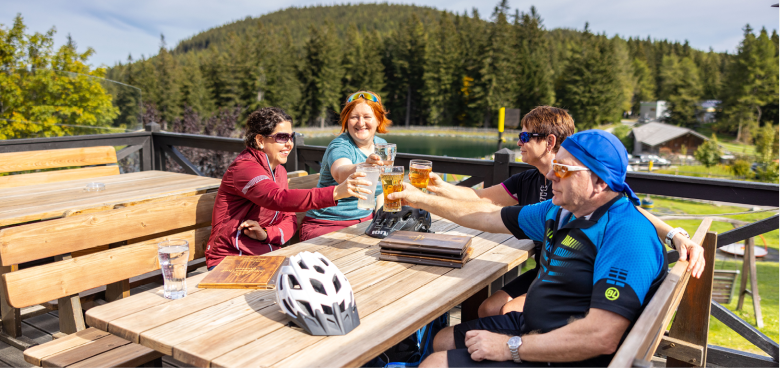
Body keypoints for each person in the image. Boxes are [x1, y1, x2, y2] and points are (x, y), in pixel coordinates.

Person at [390, 130, 669, 367]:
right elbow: (484, 216)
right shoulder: (559, 211)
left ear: (599, 182)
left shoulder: (626, 234)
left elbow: (601, 336)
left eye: (562, 169)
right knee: (442, 339)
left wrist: (510, 347)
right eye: (553, 166)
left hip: (567, 354)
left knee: (434, 364)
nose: (550, 176)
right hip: (534, 327)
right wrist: (420, 199)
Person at [426, 106, 704, 318]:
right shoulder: (528, 179)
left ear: (548, 141)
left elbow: (631, 215)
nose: (518, 142)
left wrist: (675, 235)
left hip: (570, 275)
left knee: (506, 312)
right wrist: (439, 187)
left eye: (524, 136)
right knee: (489, 309)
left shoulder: (585, 184)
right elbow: (481, 199)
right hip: (547, 267)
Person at [205, 107, 372, 269]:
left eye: (291, 137)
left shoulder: (280, 171)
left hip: (267, 257)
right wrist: (335, 192)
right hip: (230, 260)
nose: (289, 144)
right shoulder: (244, 168)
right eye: (282, 137)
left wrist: (266, 234)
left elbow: (290, 219)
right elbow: (277, 198)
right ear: (260, 140)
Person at [301, 91, 391, 241]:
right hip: (326, 224)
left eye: (367, 117)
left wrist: (380, 220)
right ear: (346, 121)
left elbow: (380, 190)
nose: (360, 123)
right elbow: (340, 173)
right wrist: (365, 165)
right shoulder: (340, 145)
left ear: (378, 120)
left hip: (365, 223)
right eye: (354, 117)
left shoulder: (382, 145)